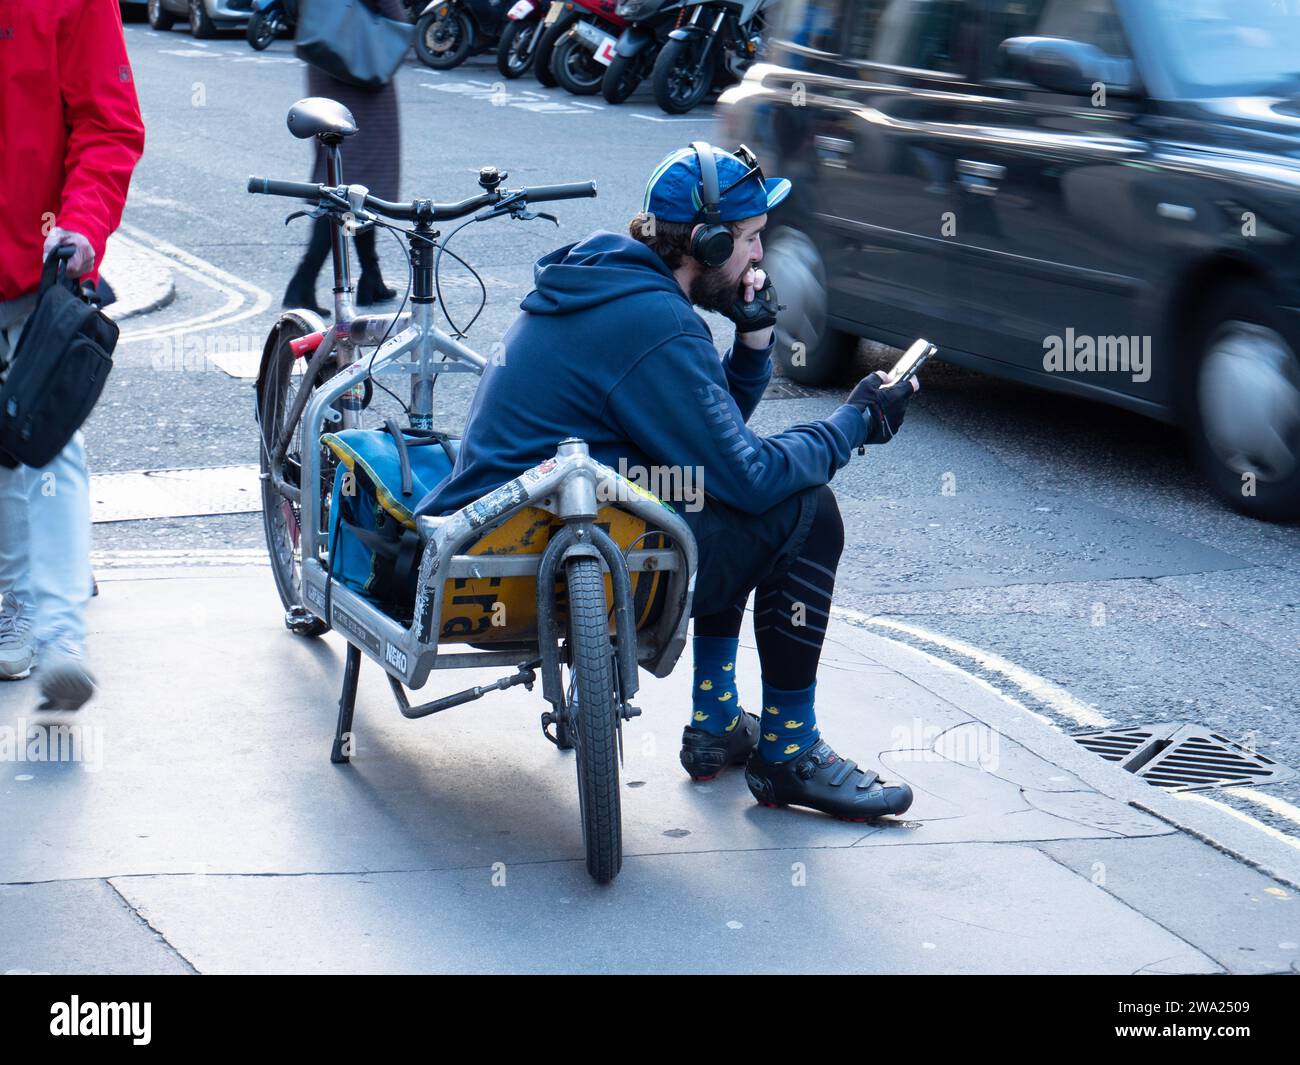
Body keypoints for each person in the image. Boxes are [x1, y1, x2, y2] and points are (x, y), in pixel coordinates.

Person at [416, 143, 921, 820]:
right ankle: (789, 753)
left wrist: (753, 342)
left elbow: (702, 448)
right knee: (806, 511)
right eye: (747, 241)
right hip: (551, 562)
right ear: (706, 245)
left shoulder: (610, 284)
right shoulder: (654, 322)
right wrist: (853, 425)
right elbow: (744, 474)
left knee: (721, 497)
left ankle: (716, 722)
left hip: (511, 543)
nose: (757, 261)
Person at [0, 0, 145, 709]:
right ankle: (22, 601)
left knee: (46, 442)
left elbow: (108, 122)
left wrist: (83, 226)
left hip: (37, 267)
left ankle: (59, 632)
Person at [282, 0, 407, 315]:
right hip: (361, 66)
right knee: (349, 184)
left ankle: (371, 277)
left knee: (353, 179)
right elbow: (397, 18)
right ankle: (303, 283)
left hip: (327, 58)